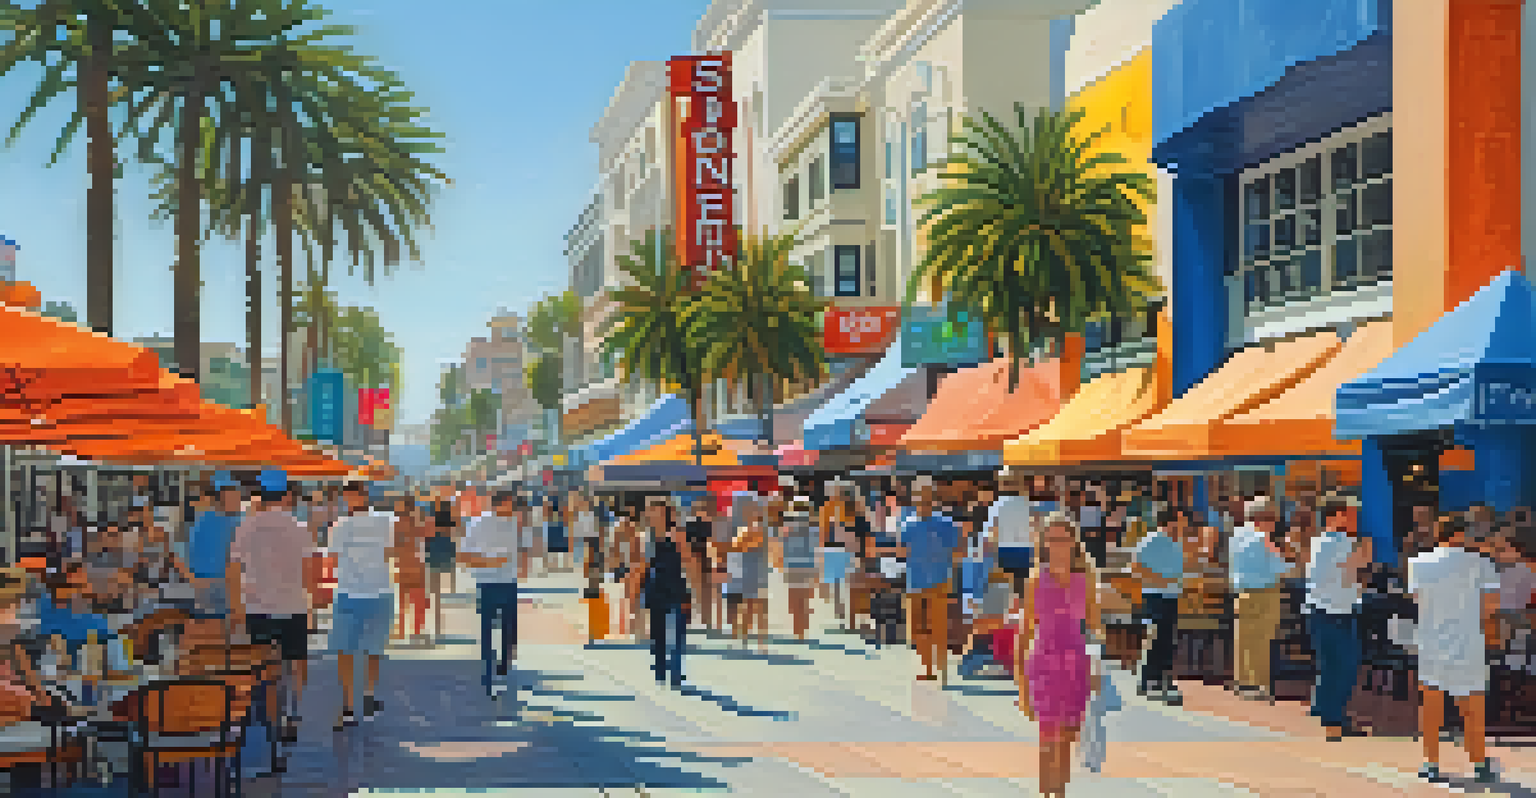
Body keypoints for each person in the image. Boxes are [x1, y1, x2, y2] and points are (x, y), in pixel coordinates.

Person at [1016, 511, 1101, 798]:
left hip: (1076, 664)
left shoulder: (1086, 580)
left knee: (1067, 737)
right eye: (1052, 539)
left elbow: (1094, 628)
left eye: (1063, 539)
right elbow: (1024, 632)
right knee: (1048, 737)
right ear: (1044, 543)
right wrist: (1021, 683)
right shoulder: (1035, 580)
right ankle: (1046, 794)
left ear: (1073, 543)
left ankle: (1059, 793)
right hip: (1044, 662)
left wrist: (1097, 664)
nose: (1058, 545)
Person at [1410, 514, 1501, 784]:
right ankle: (1479, 763)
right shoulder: (1482, 563)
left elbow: (1418, 599)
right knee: (1473, 707)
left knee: (1432, 705)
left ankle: (1431, 763)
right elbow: (1491, 606)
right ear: (1463, 534)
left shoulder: (1418, 563)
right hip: (1469, 641)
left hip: (1432, 641)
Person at [229, 469, 316, 748]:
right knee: (296, 662)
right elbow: (309, 571)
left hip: (257, 606)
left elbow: (232, 569)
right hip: (293, 604)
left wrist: (236, 608)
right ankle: (293, 712)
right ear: (287, 496)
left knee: (264, 665)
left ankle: (270, 718)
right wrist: (311, 604)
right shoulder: (299, 528)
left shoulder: (246, 526)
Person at [327, 481, 395, 730]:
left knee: (346, 650)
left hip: (349, 591)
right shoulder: (386, 521)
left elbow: (332, 561)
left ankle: (348, 703)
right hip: (379, 590)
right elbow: (389, 553)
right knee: (372, 648)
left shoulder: (339, 526)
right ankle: (367, 694)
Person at [1305, 491, 1371, 742]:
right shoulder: (1342, 542)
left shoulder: (1319, 541)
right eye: (1351, 513)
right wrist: (1367, 543)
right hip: (1337, 612)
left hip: (1320, 610)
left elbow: (1345, 575)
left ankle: (1322, 710)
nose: (1356, 518)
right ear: (1339, 516)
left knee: (1329, 665)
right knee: (1345, 666)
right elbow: (1360, 564)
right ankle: (1334, 719)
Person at [1229, 496, 1292, 701]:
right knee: (1261, 640)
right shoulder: (1261, 538)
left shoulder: (1236, 535)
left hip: (1243, 591)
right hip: (1264, 591)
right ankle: (1257, 684)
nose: (1275, 523)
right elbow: (1280, 568)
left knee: (1244, 639)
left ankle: (1243, 682)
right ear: (1261, 518)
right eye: (1272, 518)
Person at [901, 476, 962, 684]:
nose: (923, 501)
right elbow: (904, 551)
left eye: (927, 497)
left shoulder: (946, 524)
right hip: (915, 581)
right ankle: (927, 668)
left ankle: (941, 669)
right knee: (917, 629)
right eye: (919, 497)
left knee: (938, 627)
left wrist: (950, 577)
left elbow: (958, 552)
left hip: (938, 581)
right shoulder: (908, 524)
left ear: (933, 499)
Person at [459, 492, 521, 697]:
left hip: (509, 582)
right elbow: (464, 556)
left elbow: (521, 549)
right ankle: (488, 674)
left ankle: (502, 669)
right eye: (511, 502)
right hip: (487, 583)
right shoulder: (478, 524)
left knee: (509, 630)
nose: (513, 507)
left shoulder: (514, 524)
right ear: (499, 504)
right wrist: (489, 562)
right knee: (487, 630)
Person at [1132, 507, 1189, 705]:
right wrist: (1162, 581)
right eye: (1180, 520)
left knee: (1166, 638)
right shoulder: (1152, 540)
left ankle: (1162, 677)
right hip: (1155, 596)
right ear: (1170, 521)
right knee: (1155, 636)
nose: (1184, 524)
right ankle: (1149, 680)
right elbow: (1136, 567)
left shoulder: (1176, 542)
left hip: (1171, 596)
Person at [641, 496, 690, 687]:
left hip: (677, 587)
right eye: (652, 511)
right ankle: (661, 671)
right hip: (655, 589)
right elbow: (642, 566)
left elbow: (688, 561)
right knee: (657, 634)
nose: (654, 515)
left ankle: (676, 674)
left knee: (677, 634)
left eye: (658, 511)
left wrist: (695, 588)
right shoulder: (647, 537)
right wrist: (633, 594)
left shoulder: (677, 534)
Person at [187, 475, 243, 624]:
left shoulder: (200, 522)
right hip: (224, 595)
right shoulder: (234, 524)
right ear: (223, 497)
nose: (239, 501)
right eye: (236, 495)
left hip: (203, 594)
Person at [390, 496, 430, 643]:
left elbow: (393, 547)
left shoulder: (396, 525)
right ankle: (416, 632)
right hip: (417, 565)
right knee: (417, 601)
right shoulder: (418, 524)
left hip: (403, 565)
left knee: (403, 601)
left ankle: (401, 631)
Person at [780, 496, 820, 640]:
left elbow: (783, 546)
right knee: (804, 599)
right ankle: (802, 629)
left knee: (794, 599)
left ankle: (797, 629)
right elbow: (817, 548)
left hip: (793, 565)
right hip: (808, 565)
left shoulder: (788, 526)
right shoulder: (814, 527)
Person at [424, 504, 458, 644]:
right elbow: (452, 553)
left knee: (434, 597)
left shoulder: (434, 535)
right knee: (435, 598)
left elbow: (426, 549)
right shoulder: (447, 536)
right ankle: (437, 628)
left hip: (433, 563)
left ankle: (436, 628)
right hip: (437, 563)